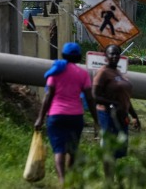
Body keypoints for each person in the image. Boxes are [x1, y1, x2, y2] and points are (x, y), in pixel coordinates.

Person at [35, 42, 99, 186]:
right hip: (75, 117)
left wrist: (40, 118)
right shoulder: (83, 74)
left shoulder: (56, 71)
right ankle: (70, 177)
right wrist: (96, 120)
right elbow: (89, 98)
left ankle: (62, 180)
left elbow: (48, 96)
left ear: (63, 55)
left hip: (56, 115)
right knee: (72, 149)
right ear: (78, 58)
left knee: (59, 150)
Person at [93, 44, 140, 179]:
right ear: (105, 56)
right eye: (111, 54)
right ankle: (109, 180)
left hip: (121, 115)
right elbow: (94, 96)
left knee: (118, 149)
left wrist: (135, 116)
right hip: (107, 115)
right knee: (109, 148)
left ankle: (112, 177)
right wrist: (113, 104)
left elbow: (125, 98)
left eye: (116, 54)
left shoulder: (119, 73)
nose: (114, 56)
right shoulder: (103, 72)